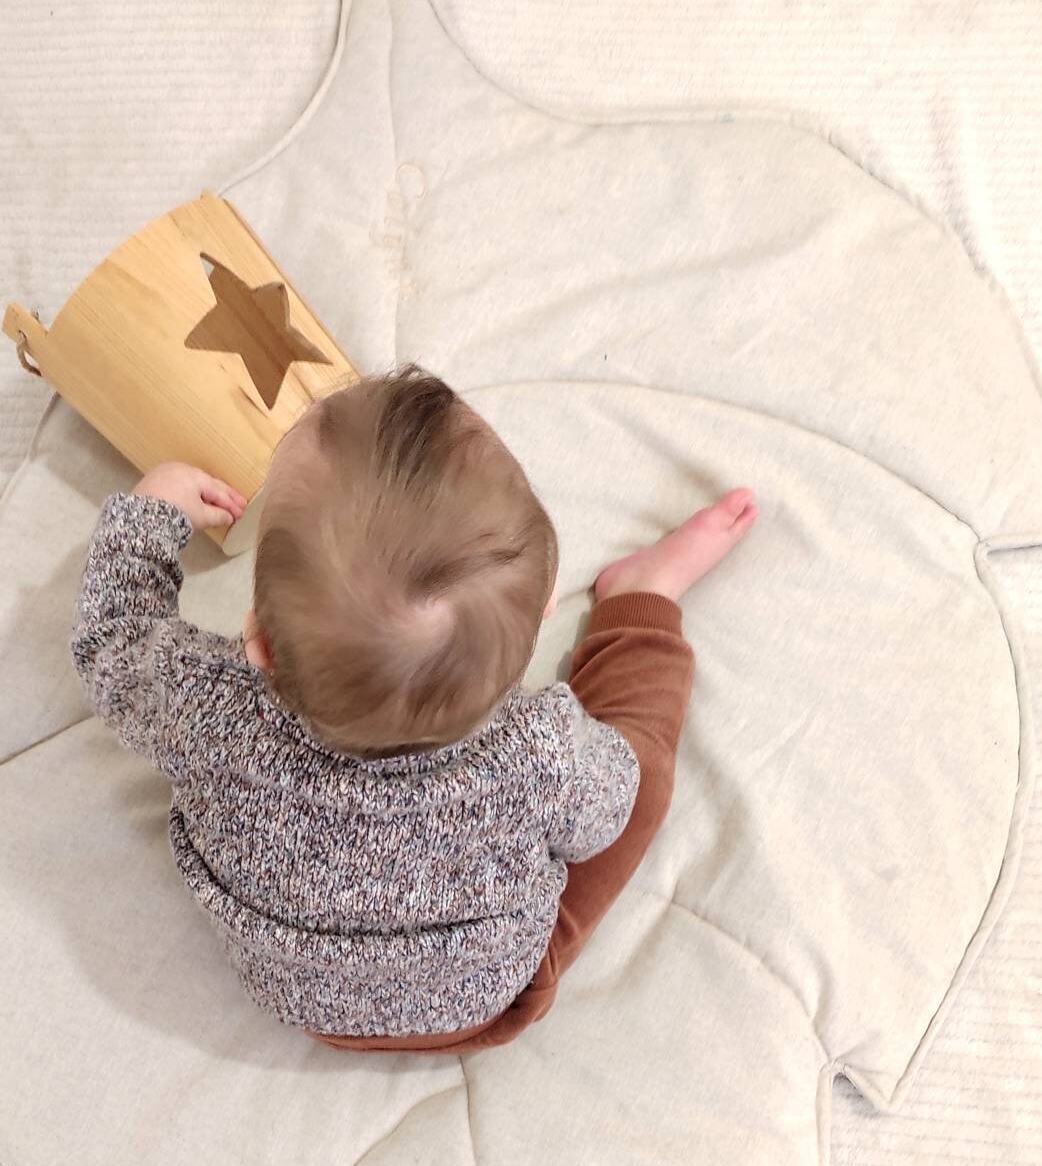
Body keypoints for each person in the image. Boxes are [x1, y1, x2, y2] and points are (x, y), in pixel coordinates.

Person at [70, 362, 757, 1054]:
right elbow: (602, 819)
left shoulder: (204, 703)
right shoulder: (540, 749)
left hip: (298, 995)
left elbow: (109, 640)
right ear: (545, 611)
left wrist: (150, 513)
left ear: (260, 646)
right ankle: (644, 599)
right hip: (486, 999)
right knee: (637, 776)